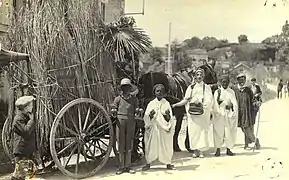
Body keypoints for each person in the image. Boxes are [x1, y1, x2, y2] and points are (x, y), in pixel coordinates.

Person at [172, 68, 214, 158]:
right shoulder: (191, 88)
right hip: (192, 114)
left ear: (203, 77)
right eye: (197, 75)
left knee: (202, 131)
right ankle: (195, 150)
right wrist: (176, 105)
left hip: (202, 113)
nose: (199, 77)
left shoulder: (206, 88)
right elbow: (186, 99)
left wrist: (202, 104)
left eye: (201, 75)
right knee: (193, 132)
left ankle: (201, 150)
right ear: (195, 76)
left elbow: (209, 99)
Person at [142, 84, 175, 171]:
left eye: (161, 91)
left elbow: (170, 118)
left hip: (163, 129)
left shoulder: (166, 103)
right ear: (154, 93)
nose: (159, 93)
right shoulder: (151, 104)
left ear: (164, 93)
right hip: (154, 128)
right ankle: (148, 163)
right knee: (150, 146)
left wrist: (167, 116)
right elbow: (146, 117)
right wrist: (150, 116)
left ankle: (168, 163)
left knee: (166, 145)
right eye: (157, 91)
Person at [111, 78, 139, 175]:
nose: (125, 89)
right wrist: (113, 111)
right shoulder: (118, 99)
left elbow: (137, 109)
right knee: (121, 144)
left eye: (127, 87)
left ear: (130, 88)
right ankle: (121, 166)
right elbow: (114, 108)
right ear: (121, 88)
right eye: (124, 87)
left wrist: (139, 111)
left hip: (131, 122)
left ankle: (128, 166)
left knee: (129, 143)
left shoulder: (134, 99)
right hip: (120, 122)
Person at [232, 74, 261, 150]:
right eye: (240, 80)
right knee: (243, 129)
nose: (242, 82)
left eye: (243, 80)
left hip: (247, 112)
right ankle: (250, 142)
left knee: (246, 128)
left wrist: (256, 103)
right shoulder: (234, 90)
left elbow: (253, 100)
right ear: (237, 80)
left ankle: (254, 141)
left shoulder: (248, 90)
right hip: (238, 113)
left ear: (245, 80)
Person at [11, 96, 36, 180]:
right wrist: (31, 121)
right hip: (22, 152)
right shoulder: (18, 120)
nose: (32, 107)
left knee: (22, 175)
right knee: (20, 176)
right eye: (31, 105)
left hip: (27, 151)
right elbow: (26, 132)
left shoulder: (25, 117)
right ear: (26, 107)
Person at [213, 75, 238, 157]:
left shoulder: (231, 92)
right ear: (220, 82)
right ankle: (218, 149)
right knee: (218, 132)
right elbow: (215, 104)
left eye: (226, 82)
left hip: (228, 114)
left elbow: (235, 104)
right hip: (219, 114)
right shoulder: (217, 92)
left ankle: (228, 149)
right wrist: (217, 112)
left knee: (229, 132)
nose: (225, 84)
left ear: (228, 82)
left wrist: (232, 110)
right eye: (223, 82)